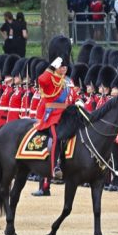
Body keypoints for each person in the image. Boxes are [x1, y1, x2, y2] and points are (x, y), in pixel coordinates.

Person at [35, 35, 77, 180]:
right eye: (62, 66)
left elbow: (74, 97)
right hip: (54, 116)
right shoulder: (50, 78)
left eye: (66, 66)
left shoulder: (69, 81)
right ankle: (55, 167)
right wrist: (54, 64)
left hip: (68, 116)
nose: (64, 68)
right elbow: (41, 80)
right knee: (57, 137)